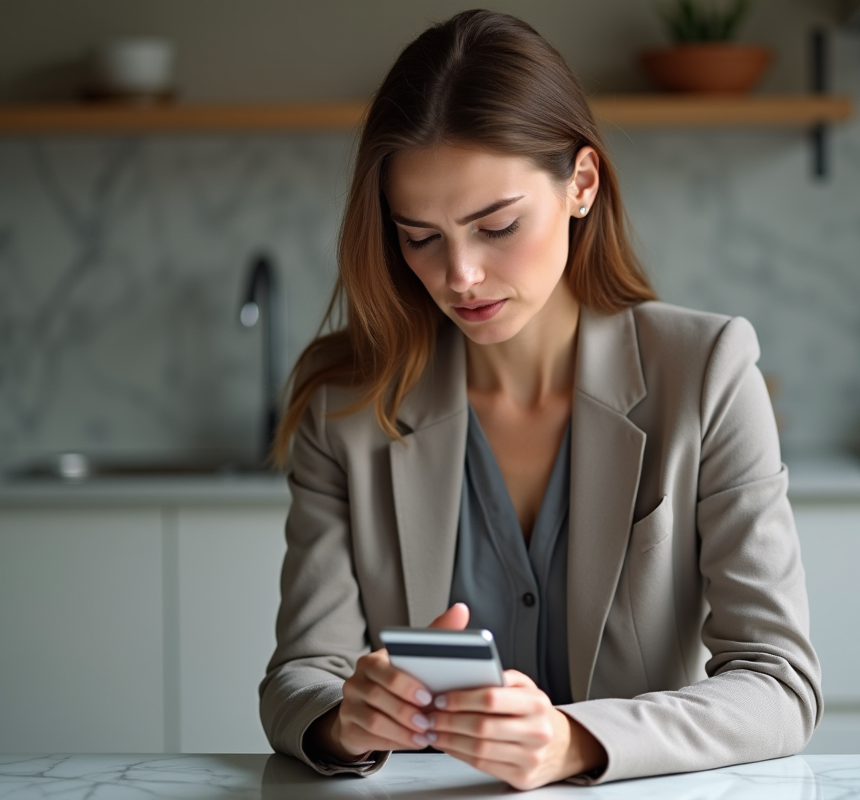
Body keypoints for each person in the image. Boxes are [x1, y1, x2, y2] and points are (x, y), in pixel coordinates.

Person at [258, 8, 821, 791]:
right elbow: (298, 678)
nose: (459, 275)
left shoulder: (708, 371)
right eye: (419, 237)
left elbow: (779, 683)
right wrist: (345, 719)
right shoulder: (346, 402)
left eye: (496, 226)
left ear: (581, 184)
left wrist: (575, 741)